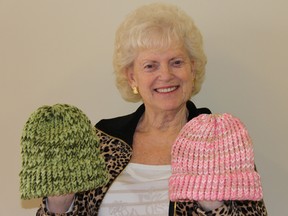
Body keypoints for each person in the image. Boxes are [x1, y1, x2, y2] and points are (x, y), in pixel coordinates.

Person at [36, 3, 267, 215]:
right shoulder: (102, 139)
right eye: (150, 65)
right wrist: (59, 204)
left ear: (193, 69)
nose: (165, 75)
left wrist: (212, 208)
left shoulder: (223, 142)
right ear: (132, 77)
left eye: (176, 62)